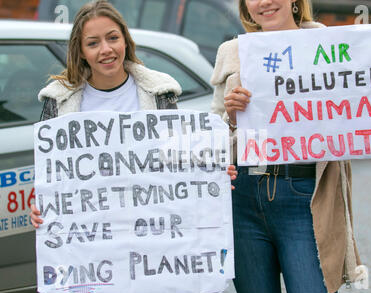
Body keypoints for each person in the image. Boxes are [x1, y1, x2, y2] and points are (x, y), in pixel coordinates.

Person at [210, 0, 371, 293]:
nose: (265, 2)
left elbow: (365, 116)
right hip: (243, 198)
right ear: (246, 6)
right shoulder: (232, 53)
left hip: (306, 197)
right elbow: (214, 139)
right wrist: (233, 119)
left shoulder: (333, 48)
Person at [30, 0, 237, 228]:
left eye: (112, 38)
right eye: (93, 43)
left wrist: (210, 173)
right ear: (80, 51)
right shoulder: (58, 101)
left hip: (150, 227)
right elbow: (49, 175)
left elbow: (179, 159)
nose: (106, 49)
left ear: (125, 41)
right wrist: (42, 204)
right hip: (91, 234)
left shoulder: (159, 92)